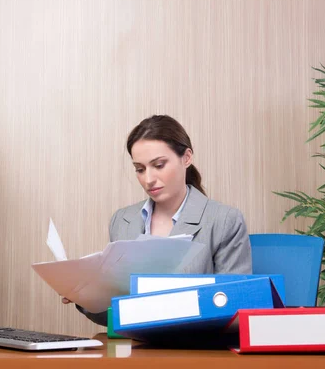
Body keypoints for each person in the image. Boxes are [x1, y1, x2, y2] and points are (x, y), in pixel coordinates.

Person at [65, 114, 252, 326]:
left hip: (195, 350)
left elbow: (236, 309)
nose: (148, 179)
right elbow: (115, 313)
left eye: (159, 165)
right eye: (140, 169)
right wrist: (84, 296)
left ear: (187, 157)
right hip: (136, 349)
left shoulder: (224, 220)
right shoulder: (122, 220)